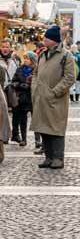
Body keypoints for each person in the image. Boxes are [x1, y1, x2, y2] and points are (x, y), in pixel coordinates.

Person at [31, 25, 76, 169]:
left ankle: (58, 158)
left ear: (54, 40)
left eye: (46, 38)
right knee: (43, 128)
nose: (44, 40)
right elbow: (36, 74)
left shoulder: (66, 55)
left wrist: (55, 92)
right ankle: (48, 157)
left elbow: (70, 77)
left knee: (56, 129)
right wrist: (34, 89)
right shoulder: (42, 55)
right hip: (41, 98)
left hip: (56, 99)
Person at [10, 52, 36, 147]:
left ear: (32, 60)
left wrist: (30, 85)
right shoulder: (19, 69)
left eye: (27, 59)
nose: (25, 60)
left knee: (36, 120)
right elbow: (14, 81)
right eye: (24, 58)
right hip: (22, 98)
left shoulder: (36, 70)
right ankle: (24, 139)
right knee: (23, 120)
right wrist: (20, 85)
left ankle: (38, 140)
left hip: (33, 98)